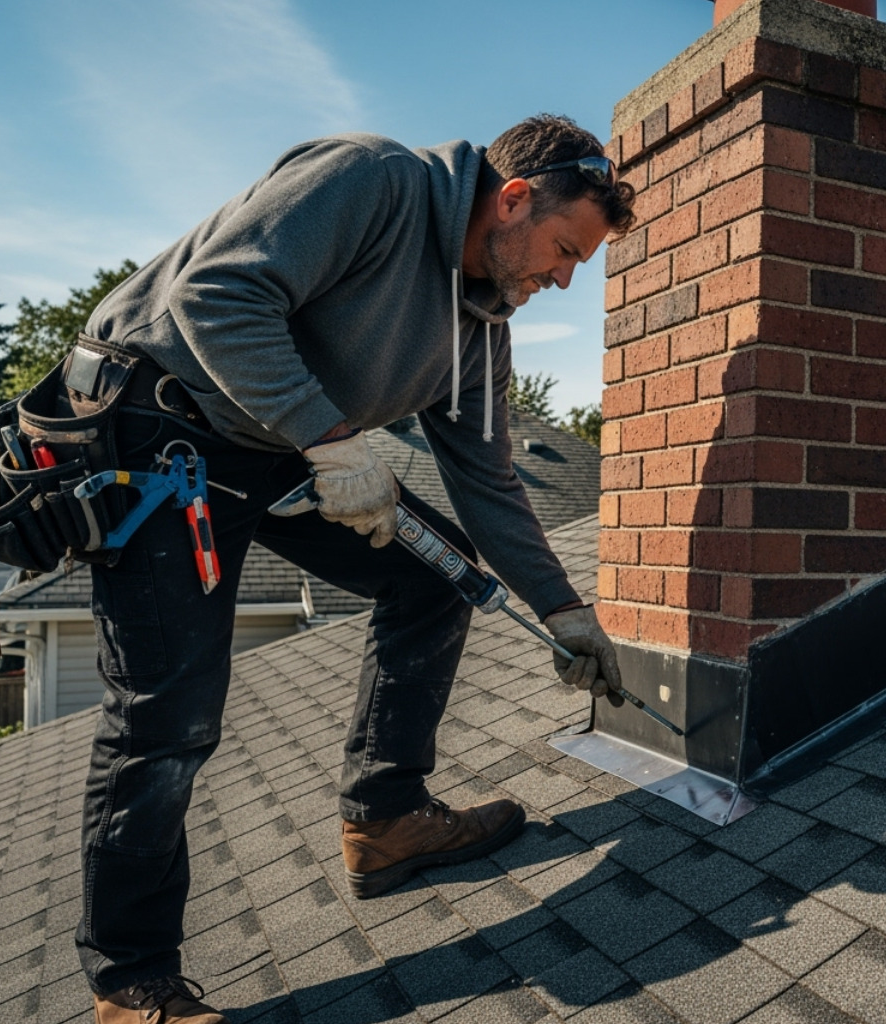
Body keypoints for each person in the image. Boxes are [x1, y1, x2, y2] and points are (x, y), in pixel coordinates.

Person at [67, 115, 636, 1024]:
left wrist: (566, 610)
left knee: (437, 578)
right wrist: (329, 440)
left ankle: (385, 816)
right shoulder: (370, 181)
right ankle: (132, 983)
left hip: (274, 447)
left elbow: (488, 479)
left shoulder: (480, 321)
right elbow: (215, 295)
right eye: (565, 250)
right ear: (515, 198)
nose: (563, 279)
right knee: (169, 709)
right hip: (155, 424)